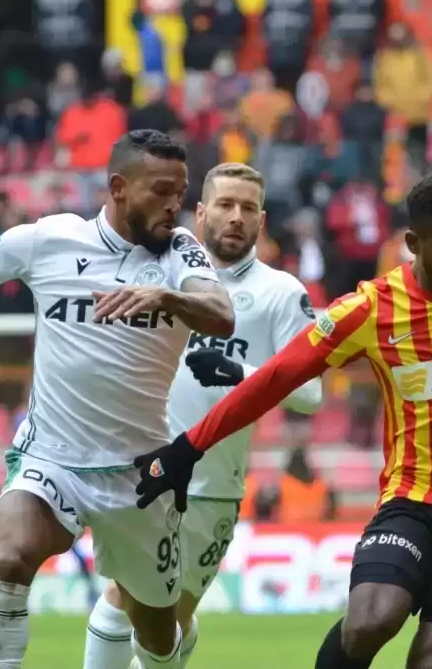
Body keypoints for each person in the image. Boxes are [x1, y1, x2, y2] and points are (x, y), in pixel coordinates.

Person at [132, 171, 432, 669]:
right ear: (413, 245)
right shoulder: (373, 308)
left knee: (429, 664)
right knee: (370, 620)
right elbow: (277, 378)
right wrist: (187, 449)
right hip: (414, 503)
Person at [0, 129, 235, 669]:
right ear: (118, 187)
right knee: (11, 559)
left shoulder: (181, 252)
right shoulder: (49, 240)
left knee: (158, 639)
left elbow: (221, 315)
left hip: (140, 475)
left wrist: (165, 297)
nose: (174, 205)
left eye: (180, 192)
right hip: (51, 458)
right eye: (161, 191)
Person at [83, 162, 322, 669]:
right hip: (146, 469)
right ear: (200, 212)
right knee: (120, 603)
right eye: (225, 204)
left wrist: (238, 372)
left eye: (248, 208)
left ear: (262, 220)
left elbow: (311, 394)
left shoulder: (282, 293)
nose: (236, 217)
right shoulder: (158, 275)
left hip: (214, 486)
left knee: (173, 623)